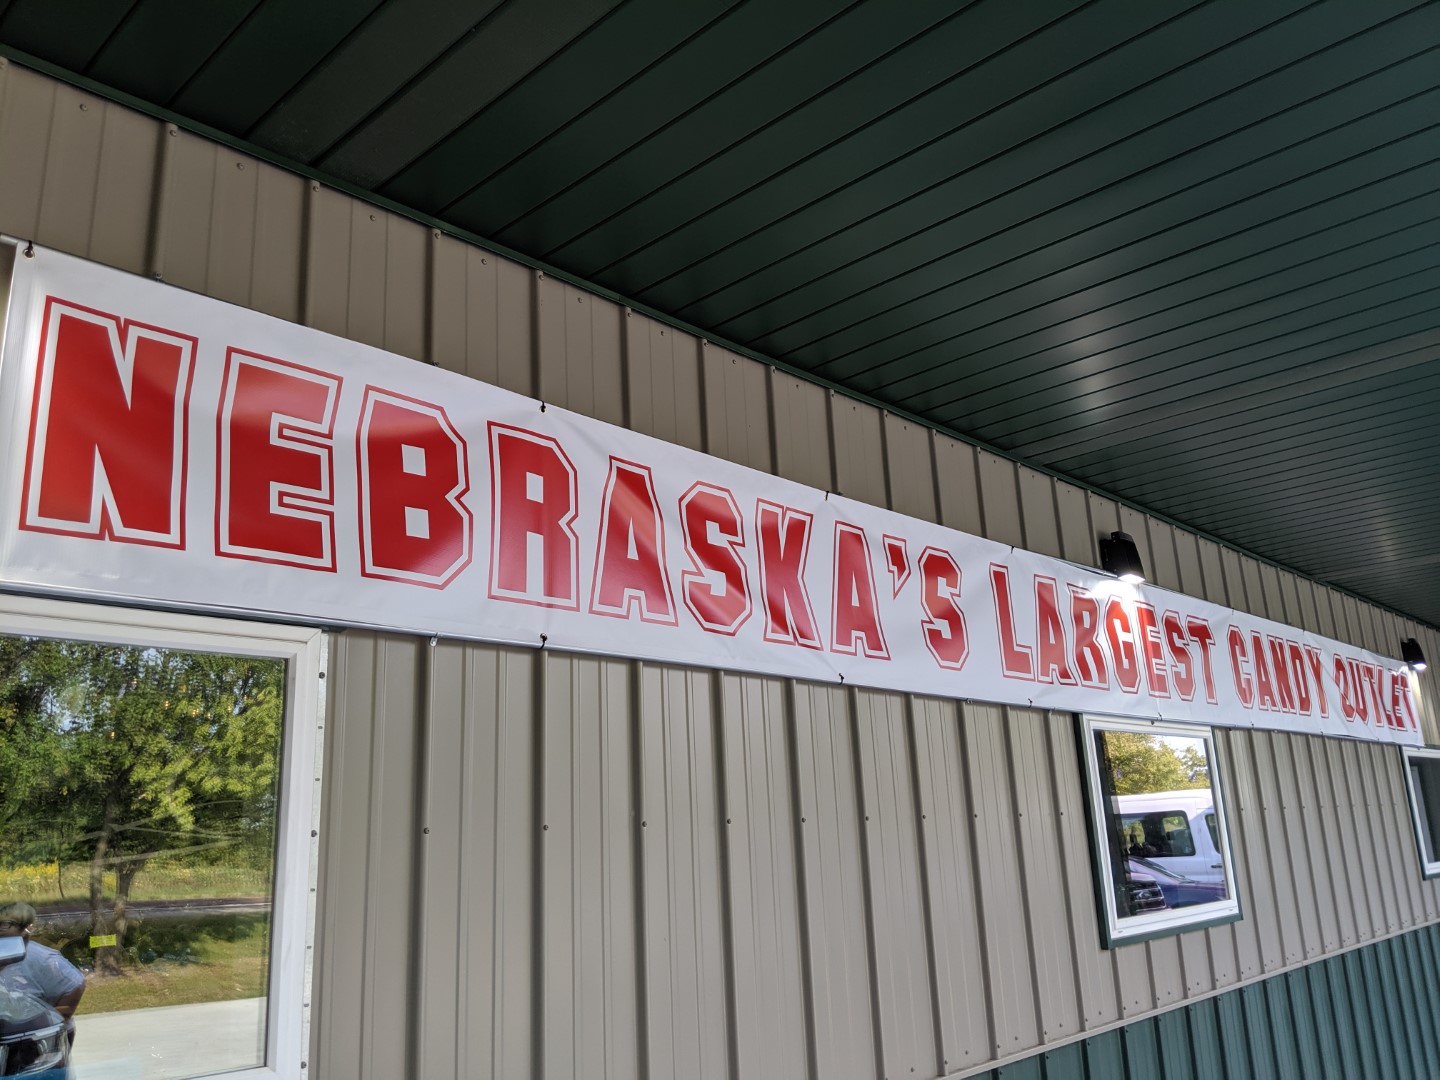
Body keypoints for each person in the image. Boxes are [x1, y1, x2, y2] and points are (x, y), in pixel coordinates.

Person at [0, 901, 85, 1026]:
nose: (1, 929)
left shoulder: (43, 958)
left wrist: (54, 1021)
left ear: (26, 932)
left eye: (6, 924)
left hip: (31, 1038)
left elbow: (75, 985)